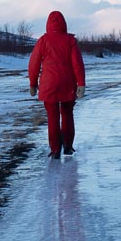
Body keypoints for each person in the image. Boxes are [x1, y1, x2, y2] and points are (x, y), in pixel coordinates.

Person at [28, 11, 86, 159]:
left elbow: (34, 63)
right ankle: (67, 145)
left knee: (52, 116)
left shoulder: (43, 40)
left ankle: (55, 150)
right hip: (67, 83)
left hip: (49, 84)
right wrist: (81, 83)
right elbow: (77, 64)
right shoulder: (70, 41)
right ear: (64, 24)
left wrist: (33, 83)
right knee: (67, 113)